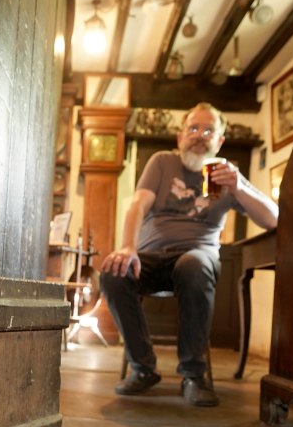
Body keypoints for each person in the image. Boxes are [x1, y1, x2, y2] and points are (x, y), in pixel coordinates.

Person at [100, 102, 278, 406]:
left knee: (193, 265)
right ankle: (143, 368)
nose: (200, 135)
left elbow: (273, 219)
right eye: (193, 128)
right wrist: (128, 247)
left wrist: (239, 187)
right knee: (114, 272)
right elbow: (138, 205)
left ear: (219, 142)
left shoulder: (227, 175)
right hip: (152, 256)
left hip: (198, 255)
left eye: (209, 130)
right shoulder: (162, 162)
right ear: (180, 137)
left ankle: (194, 375)